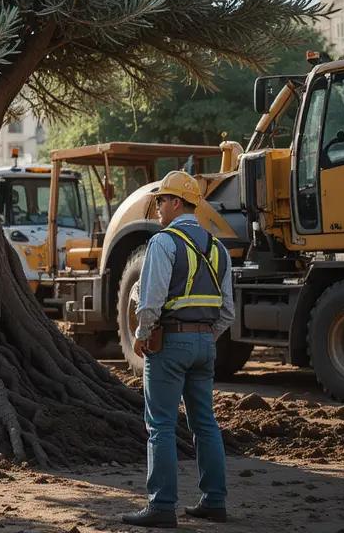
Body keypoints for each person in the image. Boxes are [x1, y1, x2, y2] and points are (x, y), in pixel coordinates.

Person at [120, 171, 234, 529]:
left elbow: (150, 300)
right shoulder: (218, 248)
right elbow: (228, 309)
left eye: (161, 201)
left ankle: (161, 506)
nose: (156, 208)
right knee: (205, 424)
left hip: (169, 343)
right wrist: (205, 336)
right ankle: (214, 501)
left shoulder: (164, 243)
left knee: (161, 426)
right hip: (204, 344)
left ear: (176, 203)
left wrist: (141, 334)